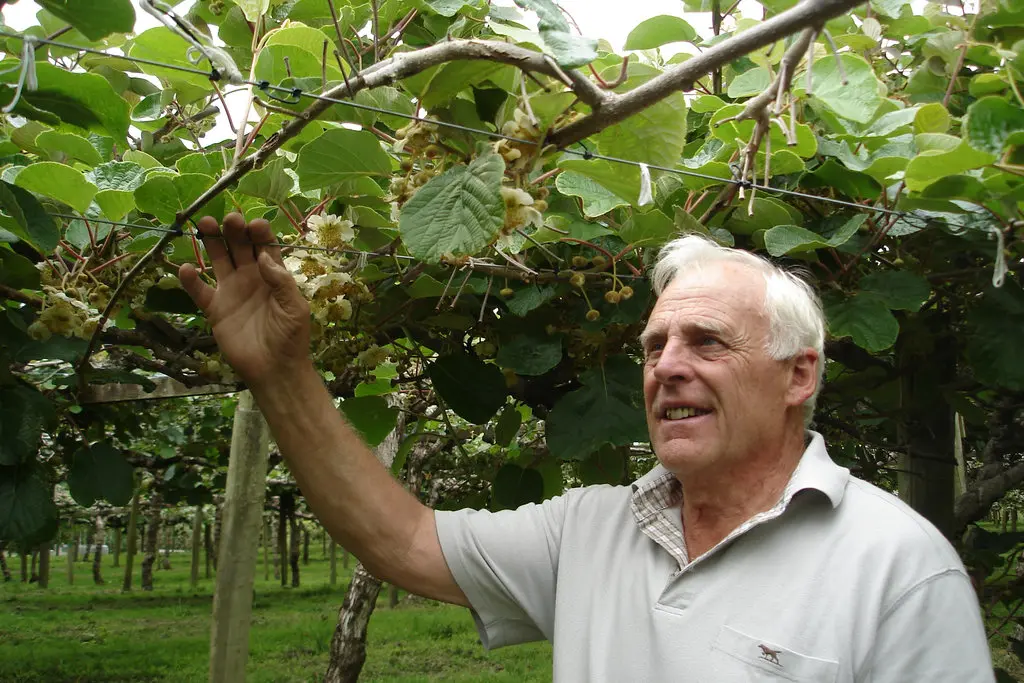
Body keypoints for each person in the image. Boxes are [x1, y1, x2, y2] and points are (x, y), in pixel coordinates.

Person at [181, 213, 994, 682]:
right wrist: (284, 374)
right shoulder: (589, 531)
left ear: (798, 374)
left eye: (706, 342)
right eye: (654, 346)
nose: (668, 365)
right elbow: (398, 536)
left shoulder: (898, 565)